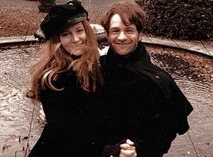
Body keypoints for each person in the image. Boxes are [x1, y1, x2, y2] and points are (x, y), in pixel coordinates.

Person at [27, 1, 136, 157]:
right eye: (66, 34)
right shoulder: (53, 79)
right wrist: (110, 152)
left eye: (79, 30)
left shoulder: (95, 66)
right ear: (57, 40)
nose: (76, 39)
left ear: (87, 31)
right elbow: (70, 134)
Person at [100, 1, 193, 157]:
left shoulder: (159, 80)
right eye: (115, 31)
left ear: (140, 34)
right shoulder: (96, 71)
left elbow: (167, 131)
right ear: (108, 35)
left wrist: (138, 150)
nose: (121, 37)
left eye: (129, 30)